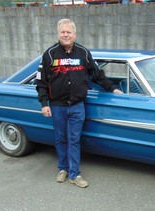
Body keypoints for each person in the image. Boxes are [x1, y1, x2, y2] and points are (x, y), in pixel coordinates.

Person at [36, 18, 122, 188]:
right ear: (58, 34)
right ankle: (63, 169)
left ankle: (74, 174)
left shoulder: (83, 53)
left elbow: (97, 74)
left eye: (69, 32)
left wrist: (112, 89)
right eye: (63, 32)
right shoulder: (49, 54)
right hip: (57, 106)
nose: (66, 35)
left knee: (74, 139)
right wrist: (44, 103)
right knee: (61, 139)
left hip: (77, 105)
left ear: (74, 34)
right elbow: (41, 82)